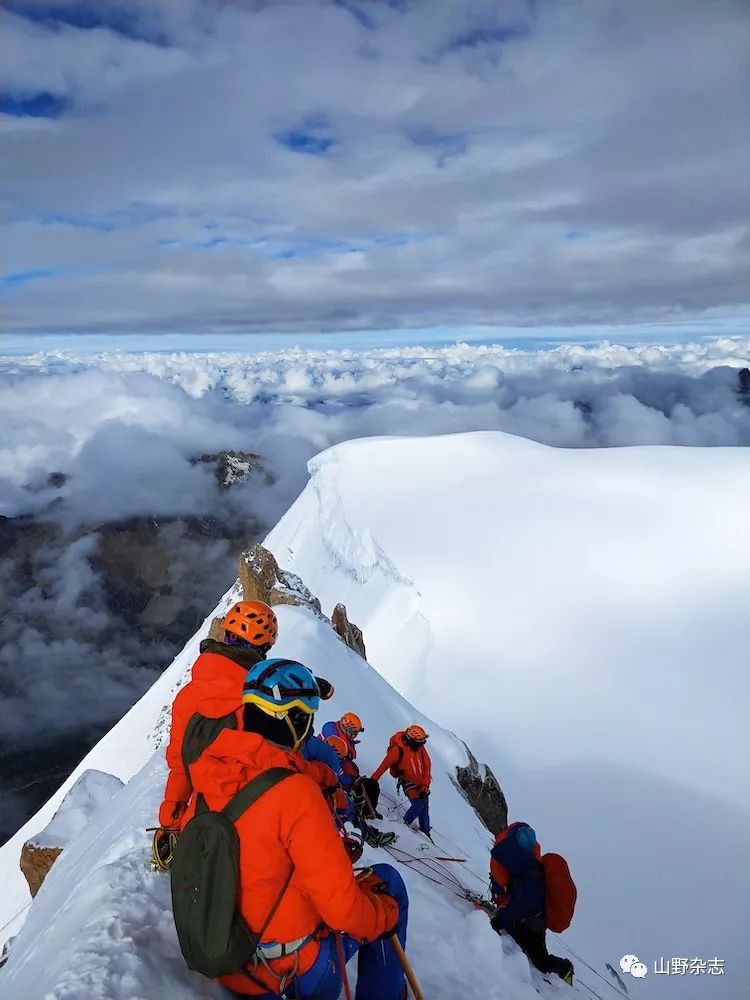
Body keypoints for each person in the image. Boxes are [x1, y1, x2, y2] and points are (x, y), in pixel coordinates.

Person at [184, 657, 410, 998]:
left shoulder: (208, 774)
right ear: (297, 719)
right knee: (389, 886)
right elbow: (344, 912)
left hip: (229, 956)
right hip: (288, 972)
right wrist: (384, 915)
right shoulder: (294, 793)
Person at [157, 600, 280, 829]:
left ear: (226, 634)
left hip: (202, 815)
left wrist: (173, 808)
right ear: (264, 649)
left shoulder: (188, 695)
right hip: (257, 812)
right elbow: (276, 758)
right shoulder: (263, 697)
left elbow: (180, 760)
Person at [489, 821, 574, 986]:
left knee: (540, 961)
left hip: (531, 925)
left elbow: (520, 903)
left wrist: (500, 920)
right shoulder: (529, 869)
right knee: (533, 952)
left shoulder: (528, 875)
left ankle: (565, 968)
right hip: (533, 922)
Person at [371, 725, 432, 837]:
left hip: (422, 782)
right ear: (413, 741)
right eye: (420, 742)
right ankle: (405, 823)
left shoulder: (419, 748)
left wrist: (425, 785)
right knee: (418, 806)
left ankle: (425, 830)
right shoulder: (397, 750)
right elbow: (384, 765)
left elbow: (427, 765)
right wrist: (373, 780)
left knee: (424, 807)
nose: (422, 745)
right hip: (408, 782)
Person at [321, 713, 382, 819]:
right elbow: (337, 769)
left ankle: (365, 809)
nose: (355, 736)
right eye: (354, 733)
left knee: (360, 777)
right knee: (371, 785)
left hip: (339, 770)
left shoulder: (335, 736)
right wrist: (353, 780)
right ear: (347, 730)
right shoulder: (336, 744)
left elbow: (344, 763)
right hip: (335, 777)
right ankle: (364, 812)